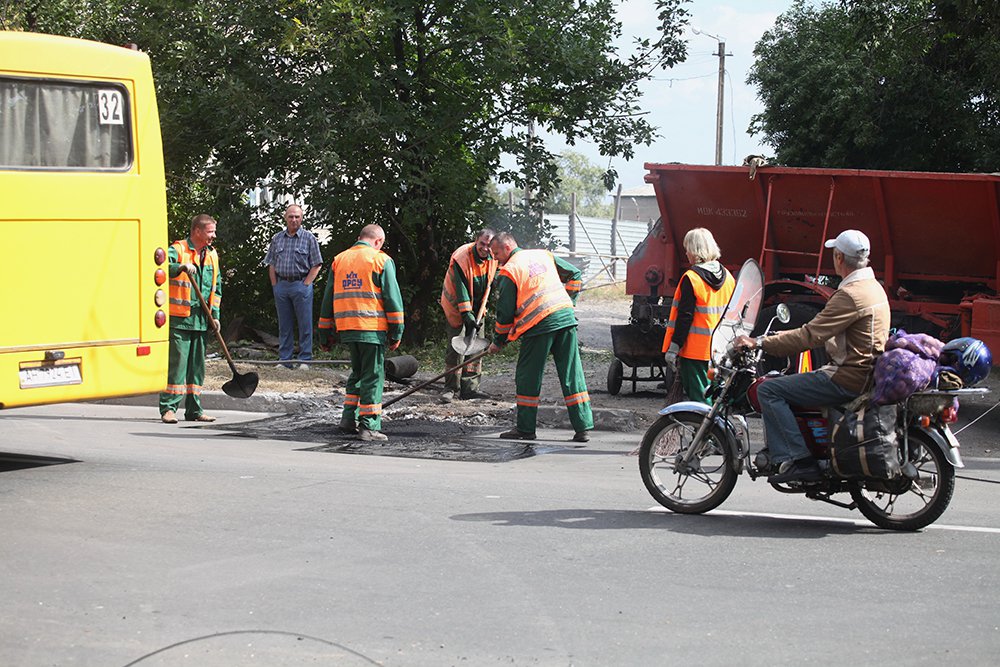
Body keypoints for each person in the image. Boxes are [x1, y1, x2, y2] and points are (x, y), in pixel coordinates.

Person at [735, 229, 890, 483]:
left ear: (839, 258)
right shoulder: (874, 288)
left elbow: (809, 335)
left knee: (769, 390)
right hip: (865, 372)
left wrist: (760, 342)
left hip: (847, 377)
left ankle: (798, 459)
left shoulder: (850, 295)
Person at [486, 232, 593, 442]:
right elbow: (574, 274)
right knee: (572, 374)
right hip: (565, 318)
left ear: (507, 248)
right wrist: (569, 301)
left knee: (528, 376)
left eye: (496, 253)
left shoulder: (509, 271)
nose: (495, 259)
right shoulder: (543, 255)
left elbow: (504, 314)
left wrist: (498, 342)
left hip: (539, 325)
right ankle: (583, 427)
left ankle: (526, 429)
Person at [317, 224, 404, 442]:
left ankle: (348, 419)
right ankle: (369, 426)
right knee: (373, 376)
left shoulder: (339, 260)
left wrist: (324, 331)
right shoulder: (381, 260)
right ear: (378, 241)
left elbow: (328, 297)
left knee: (357, 373)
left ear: (360, 238)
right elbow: (392, 299)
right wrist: (397, 331)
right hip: (371, 329)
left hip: (347, 327)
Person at [159, 214, 223, 424]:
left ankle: (194, 409)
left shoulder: (212, 255)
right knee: (177, 366)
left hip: (201, 319)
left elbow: (217, 288)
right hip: (180, 319)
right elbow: (160, 268)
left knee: (197, 368)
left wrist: (215, 316)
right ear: (197, 231)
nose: (213, 236)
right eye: (210, 232)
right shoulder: (177, 250)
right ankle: (168, 408)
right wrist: (180, 268)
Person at [661, 228, 735, 404]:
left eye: (687, 247)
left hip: (696, 352)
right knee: (716, 402)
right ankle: (716, 431)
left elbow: (685, 317)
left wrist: (674, 347)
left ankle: (704, 432)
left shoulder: (692, 278)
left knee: (700, 402)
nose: (686, 252)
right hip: (720, 351)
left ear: (695, 250)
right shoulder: (729, 278)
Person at [439, 228, 498, 401]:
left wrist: (477, 315)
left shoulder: (493, 257)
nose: (485, 249)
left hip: (478, 309)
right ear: (476, 241)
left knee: (476, 347)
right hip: (456, 306)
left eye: (489, 245)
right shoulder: (462, 257)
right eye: (482, 244)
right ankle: (450, 388)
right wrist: (467, 315)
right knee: (456, 348)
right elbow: (462, 289)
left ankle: (470, 388)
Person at [264, 204, 323, 369]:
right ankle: (285, 360)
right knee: (284, 325)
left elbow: (317, 264)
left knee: (305, 324)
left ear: (302, 218)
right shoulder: (277, 239)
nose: (294, 220)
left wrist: (306, 284)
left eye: (297, 216)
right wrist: (275, 285)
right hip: (282, 285)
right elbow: (271, 264)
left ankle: (305, 359)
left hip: (301, 284)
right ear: (285, 218)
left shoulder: (309, 238)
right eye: (291, 216)